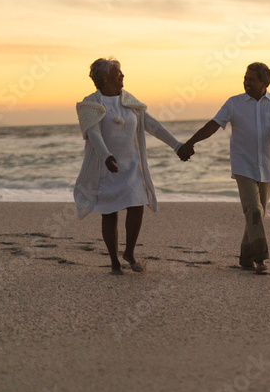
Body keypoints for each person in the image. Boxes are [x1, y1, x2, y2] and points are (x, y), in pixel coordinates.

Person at [74, 58, 193, 274]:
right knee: (110, 214)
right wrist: (106, 156)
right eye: (118, 73)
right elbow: (93, 133)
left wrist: (177, 145)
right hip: (106, 167)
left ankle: (129, 252)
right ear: (105, 77)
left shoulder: (129, 102)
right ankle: (114, 261)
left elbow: (153, 125)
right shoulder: (90, 103)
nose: (122, 76)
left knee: (137, 205)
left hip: (131, 167)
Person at [181, 62, 270, 274]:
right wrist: (190, 142)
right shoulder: (234, 103)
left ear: (265, 82)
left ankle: (245, 258)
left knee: (257, 213)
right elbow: (212, 125)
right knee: (254, 211)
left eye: (251, 79)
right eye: (245, 78)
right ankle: (260, 259)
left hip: (267, 167)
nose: (246, 82)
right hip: (243, 165)